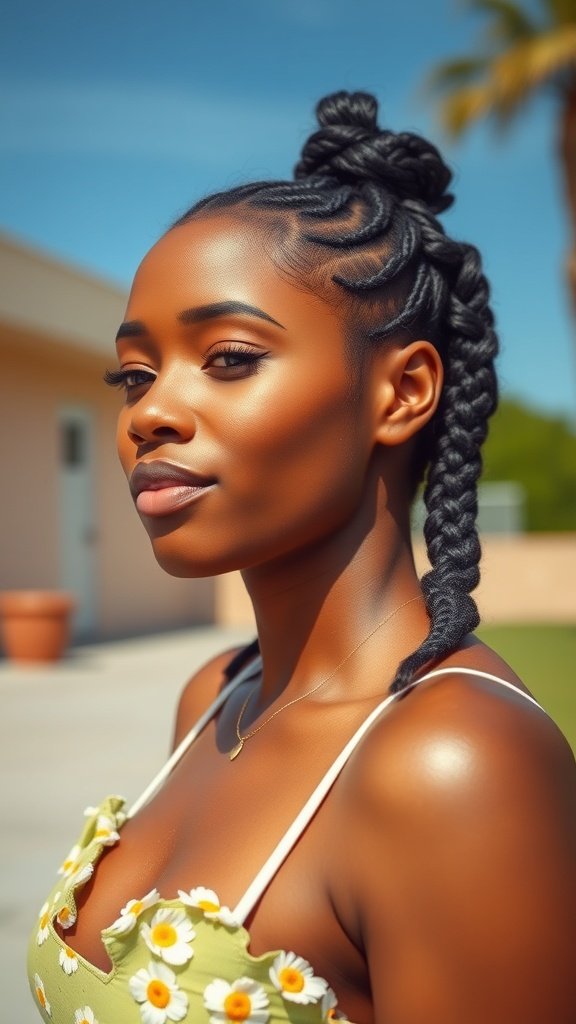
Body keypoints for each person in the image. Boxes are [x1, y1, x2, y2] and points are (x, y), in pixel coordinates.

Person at [28, 91, 576, 1024]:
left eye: (231, 356)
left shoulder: (452, 764)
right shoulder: (214, 697)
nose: (148, 413)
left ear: (402, 392)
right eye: (135, 373)